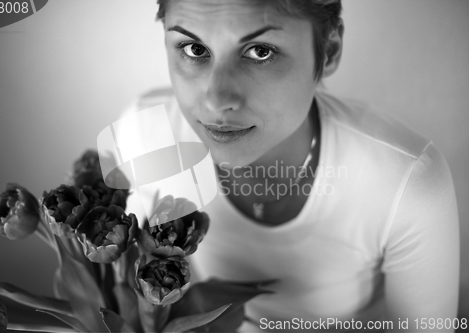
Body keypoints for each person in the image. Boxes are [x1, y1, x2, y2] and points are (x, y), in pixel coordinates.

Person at [132, 0, 460, 331]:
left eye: (260, 51)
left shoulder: (403, 181)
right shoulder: (146, 135)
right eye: (194, 48)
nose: (216, 100)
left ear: (329, 51)